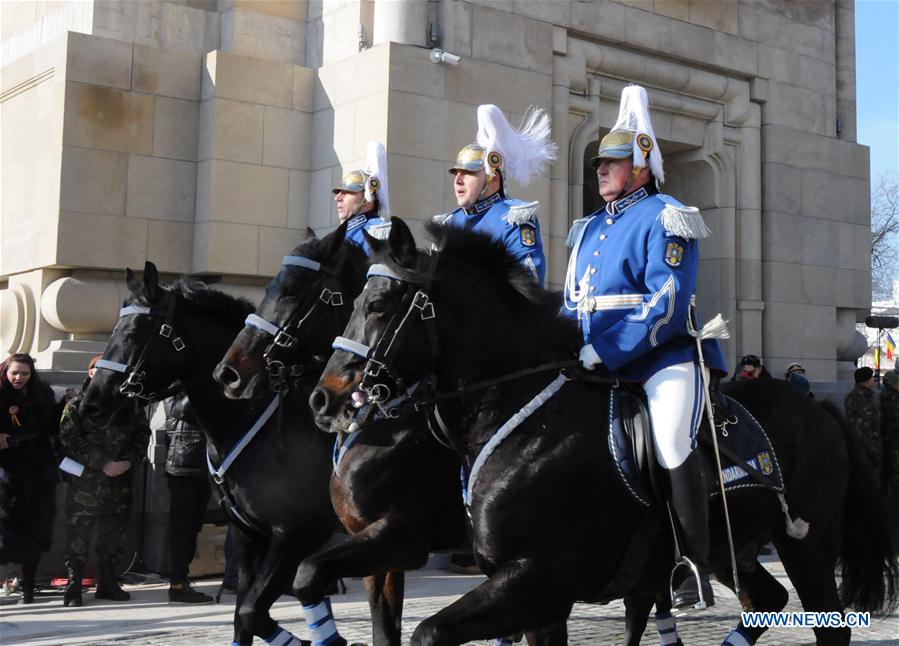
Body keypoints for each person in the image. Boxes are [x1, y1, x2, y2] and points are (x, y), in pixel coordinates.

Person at [563, 85, 727, 611]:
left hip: (663, 358)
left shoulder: (667, 214)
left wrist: (607, 350)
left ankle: (691, 565)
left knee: (671, 439)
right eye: (598, 163)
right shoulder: (589, 228)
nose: (601, 170)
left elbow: (667, 302)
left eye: (612, 162)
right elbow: (571, 302)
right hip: (592, 359)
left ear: (640, 166)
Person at [58, 355, 150, 606]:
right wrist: (104, 464)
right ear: (90, 373)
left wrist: (128, 461)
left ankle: (108, 583)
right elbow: (69, 440)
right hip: (86, 484)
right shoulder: (77, 405)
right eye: (96, 370)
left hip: (119, 483)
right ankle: (74, 586)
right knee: (78, 536)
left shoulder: (129, 404)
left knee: (113, 536)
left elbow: (142, 434)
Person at [437, 104, 556, 286]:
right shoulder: (448, 223)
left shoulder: (513, 219)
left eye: (468, 173)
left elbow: (528, 283)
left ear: (493, 178)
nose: (458, 180)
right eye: (456, 173)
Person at [0, 353, 59, 604]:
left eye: (24, 373)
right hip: (8, 473)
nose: (19, 378)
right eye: (14, 372)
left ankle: (28, 585)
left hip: (38, 470)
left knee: (37, 528)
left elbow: (52, 427)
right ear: (6, 372)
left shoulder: (42, 393)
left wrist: (65, 404)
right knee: (5, 529)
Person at [162, 393, 214, 604]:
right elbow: (181, 410)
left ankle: (182, 579)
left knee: (194, 526)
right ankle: (177, 583)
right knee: (182, 526)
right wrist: (200, 383)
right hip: (182, 463)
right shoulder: (175, 386)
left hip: (206, 464)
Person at [333, 141, 392, 253]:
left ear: (368, 200)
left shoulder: (377, 232)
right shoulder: (344, 232)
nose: (338, 198)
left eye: (347, 192)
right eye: (339, 192)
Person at [844, 366, 881, 479]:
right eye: (871, 377)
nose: (873, 380)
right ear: (866, 380)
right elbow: (862, 427)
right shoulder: (859, 398)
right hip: (865, 448)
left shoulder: (866, 395)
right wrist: (873, 449)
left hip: (866, 446)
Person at [879, 370, 899, 501]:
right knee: (895, 467)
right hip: (895, 437)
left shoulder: (884, 395)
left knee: (887, 466)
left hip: (887, 435)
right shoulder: (894, 397)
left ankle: (886, 493)